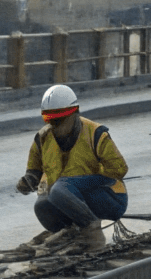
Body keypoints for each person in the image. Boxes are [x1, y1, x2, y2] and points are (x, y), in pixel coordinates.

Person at [11, 84, 129, 255]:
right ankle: (70, 234)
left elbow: (120, 169)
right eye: (49, 120)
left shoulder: (95, 133)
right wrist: (28, 181)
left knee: (60, 188)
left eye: (59, 120)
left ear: (74, 114)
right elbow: (34, 171)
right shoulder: (43, 138)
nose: (54, 126)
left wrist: (83, 183)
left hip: (108, 197)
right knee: (42, 205)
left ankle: (93, 235)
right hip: (69, 200)